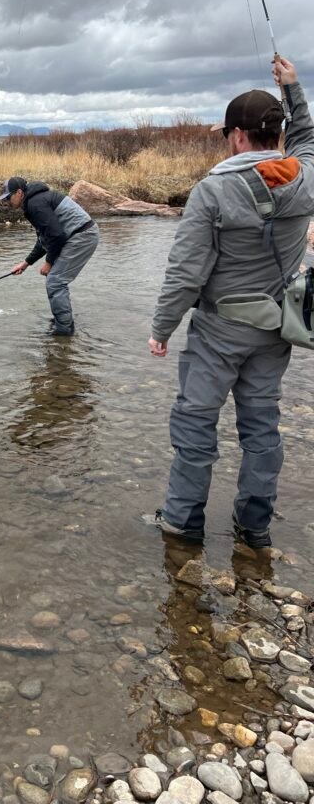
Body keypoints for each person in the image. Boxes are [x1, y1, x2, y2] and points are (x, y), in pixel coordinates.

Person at [149, 56, 314, 547]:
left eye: (229, 134)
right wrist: (294, 89)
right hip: (276, 330)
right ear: (275, 134)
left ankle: (182, 523)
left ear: (239, 135)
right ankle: (255, 528)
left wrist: (161, 329)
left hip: (219, 332)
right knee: (262, 427)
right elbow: (306, 140)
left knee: (196, 423)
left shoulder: (213, 190)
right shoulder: (304, 177)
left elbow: (185, 273)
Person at [0, 176, 99, 334]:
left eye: (7, 197)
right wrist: (26, 263)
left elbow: (56, 235)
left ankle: (64, 330)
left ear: (19, 193)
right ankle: (62, 320)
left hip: (82, 235)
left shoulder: (35, 204)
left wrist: (49, 262)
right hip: (78, 234)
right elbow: (45, 239)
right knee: (55, 279)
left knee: (55, 281)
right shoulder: (35, 201)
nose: (6, 202)